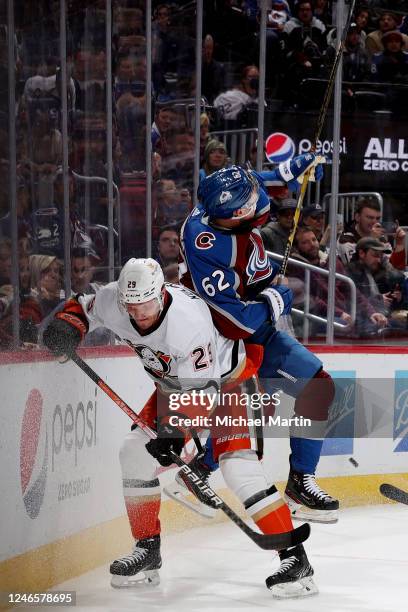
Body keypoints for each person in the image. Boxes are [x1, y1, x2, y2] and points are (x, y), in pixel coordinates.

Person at [42, 258, 317, 598]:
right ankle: (147, 549)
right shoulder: (117, 300)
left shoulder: (187, 324)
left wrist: (175, 431)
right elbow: (84, 308)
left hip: (228, 384)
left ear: (160, 293)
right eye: (132, 306)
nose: (139, 313)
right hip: (173, 388)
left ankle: (294, 558)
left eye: (145, 304)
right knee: (133, 454)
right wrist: (68, 324)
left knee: (239, 470)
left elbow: (202, 393)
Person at [180, 158, 339, 525]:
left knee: (317, 387)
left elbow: (258, 182)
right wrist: (277, 299)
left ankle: (300, 483)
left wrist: (289, 172)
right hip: (226, 338)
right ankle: (198, 468)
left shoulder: (223, 201)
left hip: (254, 320)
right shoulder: (208, 247)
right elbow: (234, 322)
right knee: (250, 414)